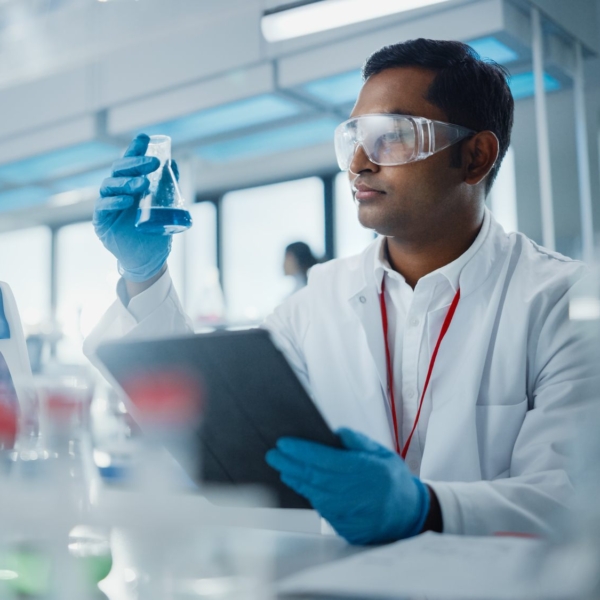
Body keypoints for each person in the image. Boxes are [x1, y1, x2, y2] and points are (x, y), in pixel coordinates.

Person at [85, 39, 595, 545]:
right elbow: (211, 421)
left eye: (389, 136)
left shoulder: (560, 302)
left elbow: (572, 499)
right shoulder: (318, 302)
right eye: (353, 137)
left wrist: (425, 508)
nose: (357, 163)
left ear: (475, 157)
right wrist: (145, 273)